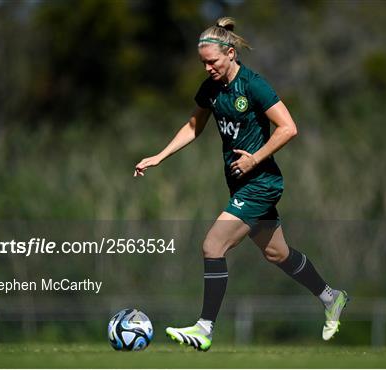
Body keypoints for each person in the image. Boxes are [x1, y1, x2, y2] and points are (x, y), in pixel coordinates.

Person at [134, 17, 348, 351]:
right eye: (203, 63)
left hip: (261, 183)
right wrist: (159, 156)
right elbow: (193, 126)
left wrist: (254, 158)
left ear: (231, 53)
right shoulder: (210, 89)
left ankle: (205, 328)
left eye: (213, 61)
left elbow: (288, 128)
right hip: (240, 185)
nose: (207, 68)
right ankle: (330, 297)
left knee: (212, 245)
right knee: (278, 254)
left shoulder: (253, 85)